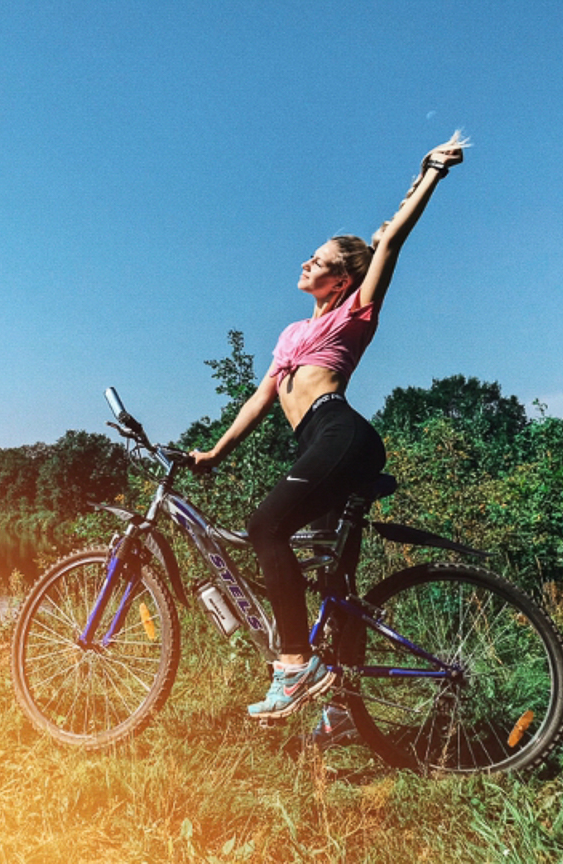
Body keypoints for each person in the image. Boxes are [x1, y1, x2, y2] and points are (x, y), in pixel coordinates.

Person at [190, 134, 468, 720]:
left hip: (341, 435)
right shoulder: (292, 332)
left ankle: (294, 666)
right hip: (315, 443)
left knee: (265, 525)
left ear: (341, 280)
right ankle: (340, 711)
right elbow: (262, 396)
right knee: (335, 581)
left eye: (317, 261)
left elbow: (389, 240)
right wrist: (216, 452)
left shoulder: (356, 311)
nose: (305, 264)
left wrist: (430, 175)